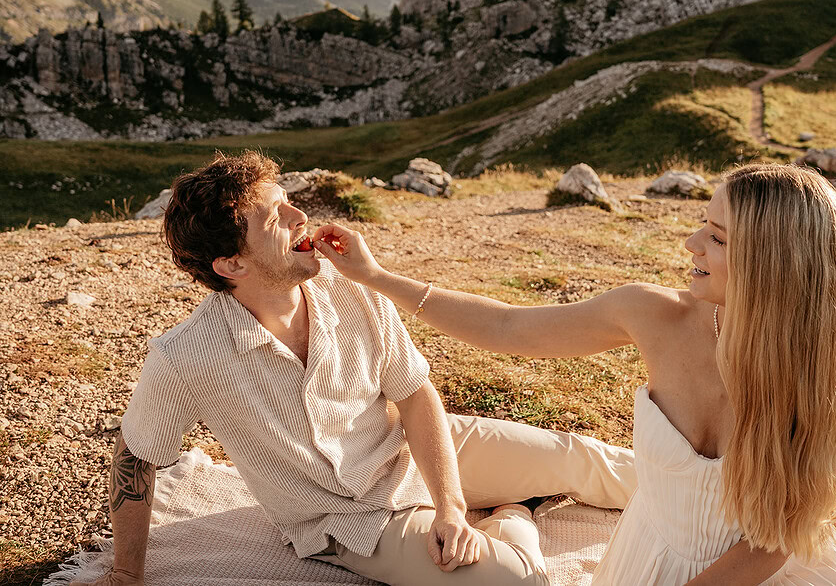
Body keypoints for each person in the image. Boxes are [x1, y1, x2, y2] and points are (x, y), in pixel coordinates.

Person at [312, 163, 836, 585]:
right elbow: (510, 330)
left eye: (716, 237)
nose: (690, 244)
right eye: (701, 225)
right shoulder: (653, 314)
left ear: (773, 265)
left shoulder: (819, 383)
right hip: (648, 558)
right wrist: (378, 277)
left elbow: (773, 541)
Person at [73, 151, 637, 586]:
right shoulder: (185, 357)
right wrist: (128, 573)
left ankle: (724, 495)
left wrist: (451, 504)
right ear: (232, 263)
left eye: (290, 200)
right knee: (510, 580)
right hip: (353, 516)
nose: (301, 216)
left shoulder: (349, 290)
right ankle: (516, 511)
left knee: (583, 458)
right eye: (275, 217)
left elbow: (415, 395)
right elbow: (136, 454)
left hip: (410, 448)